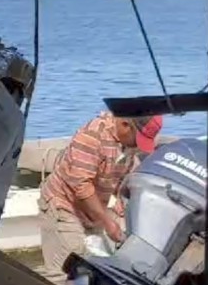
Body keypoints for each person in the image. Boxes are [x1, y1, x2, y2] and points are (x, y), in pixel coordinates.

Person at [38, 111, 163, 273]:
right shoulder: (92, 136)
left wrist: (122, 197)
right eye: (138, 140)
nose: (139, 146)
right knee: (65, 271)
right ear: (126, 125)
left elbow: (127, 170)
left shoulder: (127, 141)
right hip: (64, 204)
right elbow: (81, 186)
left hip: (93, 210)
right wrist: (107, 223)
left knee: (94, 269)